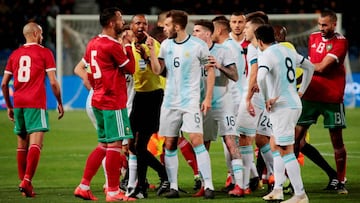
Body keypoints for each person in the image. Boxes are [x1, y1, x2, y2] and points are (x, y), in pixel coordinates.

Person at [147, 9, 216, 199]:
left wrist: (208, 97)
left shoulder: (198, 45)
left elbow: (210, 71)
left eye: (168, 25)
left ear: (177, 27)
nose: (164, 28)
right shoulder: (166, 45)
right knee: (169, 144)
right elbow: (157, 70)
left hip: (190, 101)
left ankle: (208, 185)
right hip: (170, 102)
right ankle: (174, 187)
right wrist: (152, 53)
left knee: (196, 140)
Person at [73, 7, 136, 202]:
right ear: (111, 23)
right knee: (115, 145)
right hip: (113, 101)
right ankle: (113, 191)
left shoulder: (93, 43)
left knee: (103, 145)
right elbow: (131, 69)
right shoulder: (113, 46)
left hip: (97, 99)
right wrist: (127, 45)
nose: (122, 22)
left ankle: (83, 186)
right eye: (120, 19)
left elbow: (89, 71)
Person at [1, 22, 64, 198]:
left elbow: (4, 83)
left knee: (22, 145)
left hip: (19, 103)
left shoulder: (15, 54)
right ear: (36, 33)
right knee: (36, 143)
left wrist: (9, 105)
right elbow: (52, 81)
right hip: (36, 103)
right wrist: (59, 101)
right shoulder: (45, 52)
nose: (43, 37)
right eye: (41, 34)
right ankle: (27, 181)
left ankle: (24, 184)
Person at [273, 24, 339, 192]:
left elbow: (300, 72)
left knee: (284, 142)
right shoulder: (281, 49)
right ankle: (332, 175)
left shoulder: (284, 48)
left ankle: (284, 184)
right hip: (289, 101)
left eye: (276, 34)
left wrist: (297, 90)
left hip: (288, 103)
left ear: (282, 36)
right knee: (297, 142)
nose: (274, 37)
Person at [255, 24, 314, 203]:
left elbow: (260, 77)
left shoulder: (266, 54)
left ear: (259, 41)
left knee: (286, 150)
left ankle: (300, 194)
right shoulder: (286, 49)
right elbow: (310, 67)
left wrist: (266, 98)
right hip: (292, 103)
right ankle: (278, 189)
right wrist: (302, 90)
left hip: (282, 107)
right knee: (275, 144)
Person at [294, 9, 349, 195]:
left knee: (337, 141)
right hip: (309, 96)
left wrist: (298, 64)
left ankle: (340, 180)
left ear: (334, 24)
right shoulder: (313, 37)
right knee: (295, 139)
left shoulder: (341, 42)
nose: (321, 28)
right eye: (319, 24)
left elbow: (322, 67)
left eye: (325, 25)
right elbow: (311, 65)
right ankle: (291, 183)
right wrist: (301, 79)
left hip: (331, 98)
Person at [192, 19, 244, 198]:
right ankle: (206, 185)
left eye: (197, 31)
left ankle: (239, 185)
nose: (194, 34)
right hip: (203, 104)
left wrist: (219, 65)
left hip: (223, 103)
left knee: (231, 142)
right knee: (202, 145)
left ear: (207, 33)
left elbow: (235, 76)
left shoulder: (223, 50)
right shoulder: (193, 51)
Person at [125, 13, 168, 199]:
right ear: (131, 26)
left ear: (148, 26)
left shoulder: (153, 45)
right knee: (133, 145)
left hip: (153, 97)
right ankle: (154, 178)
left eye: (144, 23)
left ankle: (143, 185)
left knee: (140, 145)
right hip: (138, 97)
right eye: (137, 23)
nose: (141, 26)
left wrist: (147, 55)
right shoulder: (128, 46)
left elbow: (159, 70)